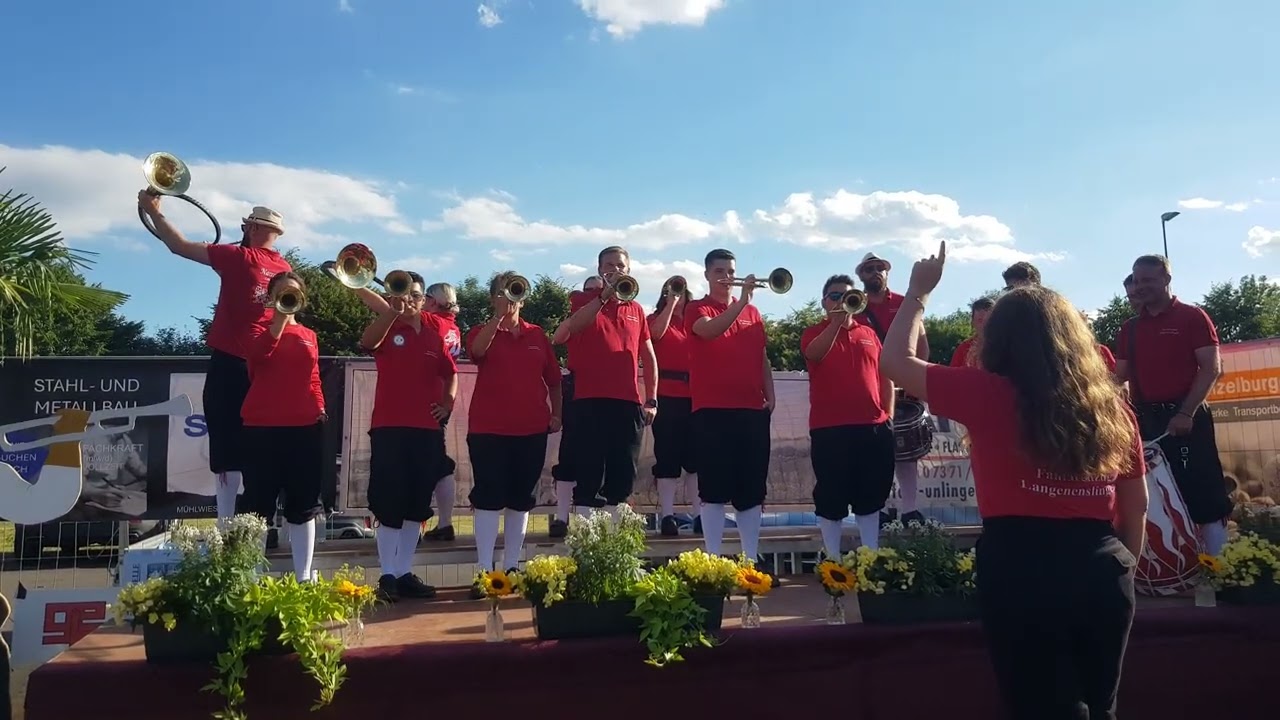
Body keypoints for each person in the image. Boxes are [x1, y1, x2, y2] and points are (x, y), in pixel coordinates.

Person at [881, 241, 1148, 720]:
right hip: (1103, 565)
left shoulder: (987, 392)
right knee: (1101, 707)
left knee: (1040, 706)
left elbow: (896, 364)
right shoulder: (1112, 407)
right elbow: (1137, 504)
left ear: (998, 340)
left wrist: (918, 293)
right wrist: (1125, 566)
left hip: (1021, 565)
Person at [137, 193, 290, 522]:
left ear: (249, 226)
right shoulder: (282, 267)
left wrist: (153, 212)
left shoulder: (237, 256)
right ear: (275, 233)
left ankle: (230, 526)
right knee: (256, 446)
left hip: (239, 362)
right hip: (265, 363)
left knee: (229, 448)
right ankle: (259, 524)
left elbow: (178, 245)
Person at [1117, 254, 1232, 554]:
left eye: (1148, 280)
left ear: (1167, 279)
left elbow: (1211, 368)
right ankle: (1167, 569)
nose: (1141, 287)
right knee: (1155, 494)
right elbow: (1117, 377)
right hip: (1147, 421)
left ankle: (1218, 566)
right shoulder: (1129, 328)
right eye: (1137, 281)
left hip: (1186, 417)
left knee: (1202, 490)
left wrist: (1186, 412)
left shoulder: (1192, 317)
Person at [359, 272, 455, 601]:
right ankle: (387, 574)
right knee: (389, 502)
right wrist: (390, 312)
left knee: (417, 504)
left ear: (422, 298)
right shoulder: (389, 327)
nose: (409, 300)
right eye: (403, 294)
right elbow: (367, 342)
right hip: (389, 427)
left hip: (426, 430)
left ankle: (402, 571)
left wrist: (447, 404)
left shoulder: (432, 333)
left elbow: (449, 373)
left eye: (415, 295)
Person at [466, 271, 563, 586]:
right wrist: (498, 319)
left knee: (521, 499)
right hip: (488, 428)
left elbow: (554, 380)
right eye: (503, 292)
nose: (509, 298)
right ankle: (483, 569)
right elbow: (477, 352)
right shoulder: (481, 330)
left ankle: (510, 568)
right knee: (488, 497)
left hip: (531, 429)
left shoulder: (537, 336)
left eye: (515, 291)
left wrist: (557, 414)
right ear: (493, 298)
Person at [554, 247, 658, 522]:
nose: (615, 269)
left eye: (620, 265)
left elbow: (648, 355)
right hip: (589, 401)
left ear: (628, 269)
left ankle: (615, 544)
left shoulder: (636, 308)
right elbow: (571, 328)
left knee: (623, 476)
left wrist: (652, 399)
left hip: (627, 402)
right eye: (609, 265)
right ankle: (586, 540)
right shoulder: (583, 299)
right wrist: (602, 296)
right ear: (600, 269)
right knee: (589, 476)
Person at [686, 248, 775, 561]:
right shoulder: (696, 307)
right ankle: (712, 562)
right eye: (720, 272)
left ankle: (750, 560)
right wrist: (742, 304)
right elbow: (709, 331)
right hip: (712, 409)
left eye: (731, 271)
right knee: (713, 488)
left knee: (751, 490)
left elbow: (761, 356)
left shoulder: (753, 313)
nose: (727, 278)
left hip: (751, 409)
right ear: (708, 275)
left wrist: (771, 393)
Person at [240, 272, 329, 581]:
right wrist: (278, 319)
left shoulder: (309, 334)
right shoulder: (257, 328)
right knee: (257, 502)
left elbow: (313, 375)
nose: (288, 298)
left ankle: (304, 575)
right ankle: (250, 574)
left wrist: (319, 406)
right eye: (282, 293)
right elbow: (257, 358)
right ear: (271, 295)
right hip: (262, 426)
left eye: (293, 294)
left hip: (304, 426)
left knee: (304, 502)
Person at [802, 274, 895, 556]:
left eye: (847, 295)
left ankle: (871, 557)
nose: (841, 301)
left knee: (871, 496)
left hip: (873, 427)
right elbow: (814, 354)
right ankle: (832, 560)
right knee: (832, 496)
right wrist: (836, 324)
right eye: (834, 296)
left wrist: (887, 416)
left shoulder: (868, 334)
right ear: (824, 302)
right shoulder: (813, 332)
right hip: (830, 429)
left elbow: (885, 376)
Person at [855, 252, 928, 526]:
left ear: (887, 273)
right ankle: (881, 507)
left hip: (903, 385)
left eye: (880, 268)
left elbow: (921, 342)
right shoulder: (855, 306)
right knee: (876, 451)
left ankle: (910, 509)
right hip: (871, 387)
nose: (875, 273)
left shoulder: (903, 303)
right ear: (860, 275)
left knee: (907, 450)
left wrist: (915, 377)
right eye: (869, 269)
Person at [548, 276, 605, 536]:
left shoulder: (617, 310)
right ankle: (560, 518)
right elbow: (559, 337)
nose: (594, 292)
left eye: (598, 289)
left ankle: (585, 523)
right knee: (569, 453)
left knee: (594, 459)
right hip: (578, 388)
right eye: (589, 289)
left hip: (603, 392)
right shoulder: (580, 308)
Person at [648, 276, 701, 536]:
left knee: (695, 460)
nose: (678, 294)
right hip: (667, 395)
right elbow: (655, 335)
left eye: (680, 290)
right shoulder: (655, 318)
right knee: (667, 457)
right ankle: (667, 516)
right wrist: (670, 305)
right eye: (670, 290)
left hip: (695, 395)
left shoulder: (694, 321)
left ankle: (699, 514)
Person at [420, 282, 463, 543]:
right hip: (440, 401)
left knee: (427, 466)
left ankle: (419, 524)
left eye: (423, 298)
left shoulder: (432, 323)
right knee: (439, 464)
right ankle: (444, 523)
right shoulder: (454, 327)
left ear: (433, 301)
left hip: (427, 402)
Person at [950, 297, 996, 367]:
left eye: (988, 320)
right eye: (980, 320)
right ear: (973, 322)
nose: (984, 325)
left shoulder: (1004, 345)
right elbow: (953, 375)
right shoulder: (964, 348)